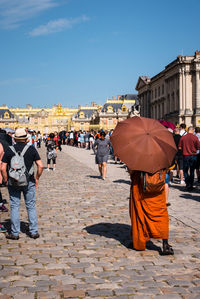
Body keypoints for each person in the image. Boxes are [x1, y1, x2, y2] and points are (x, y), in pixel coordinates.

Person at [1, 128, 43, 240]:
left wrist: (6, 180)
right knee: (30, 206)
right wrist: (37, 178)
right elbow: (40, 166)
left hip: (13, 181)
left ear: (14, 139)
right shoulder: (32, 149)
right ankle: (33, 232)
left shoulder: (9, 150)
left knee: (14, 206)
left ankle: (15, 233)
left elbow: (3, 167)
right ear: (26, 139)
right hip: (29, 181)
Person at [129, 170, 174, 255]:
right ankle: (165, 244)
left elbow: (131, 171)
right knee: (161, 214)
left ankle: (139, 241)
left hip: (140, 187)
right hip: (157, 187)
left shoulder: (138, 159)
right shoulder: (161, 158)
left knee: (139, 213)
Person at [178, 126, 200, 191]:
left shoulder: (183, 137)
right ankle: (191, 185)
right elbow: (198, 147)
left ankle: (187, 184)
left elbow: (179, 147)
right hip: (193, 156)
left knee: (185, 170)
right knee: (192, 171)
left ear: (188, 130)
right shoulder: (195, 137)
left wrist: (184, 149)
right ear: (193, 130)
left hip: (185, 156)